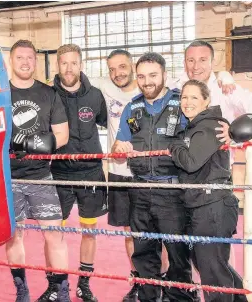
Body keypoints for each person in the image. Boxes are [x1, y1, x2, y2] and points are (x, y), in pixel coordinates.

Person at [112, 52, 197, 302]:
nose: (147, 81)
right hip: (138, 190)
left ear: (164, 75)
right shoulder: (132, 107)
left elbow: (200, 134)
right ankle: (149, 297)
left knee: (178, 253)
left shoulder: (181, 102)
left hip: (172, 191)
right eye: (141, 76)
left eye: (152, 75)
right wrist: (119, 150)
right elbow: (118, 150)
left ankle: (181, 298)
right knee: (143, 253)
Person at [92, 49, 170, 302]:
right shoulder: (105, 86)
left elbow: (194, 81)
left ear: (133, 68)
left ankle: (165, 279)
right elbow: (67, 79)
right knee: (131, 233)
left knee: (162, 232)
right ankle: (139, 279)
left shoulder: (155, 90)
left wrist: (224, 75)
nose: (118, 73)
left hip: (152, 175)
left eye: (123, 67)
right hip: (119, 172)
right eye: (112, 69)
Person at [169, 79, 247, 302]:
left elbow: (191, 162)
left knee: (213, 273)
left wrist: (174, 145)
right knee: (215, 268)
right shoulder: (195, 126)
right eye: (184, 97)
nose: (187, 102)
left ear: (206, 100)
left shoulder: (210, 125)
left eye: (194, 97)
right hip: (205, 206)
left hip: (212, 207)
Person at [4, 40, 71, 302]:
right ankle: (21, 289)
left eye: (30, 57)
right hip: (8, 177)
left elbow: (62, 135)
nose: (25, 62)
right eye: (20, 57)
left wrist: (33, 144)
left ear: (35, 61)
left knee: (55, 235)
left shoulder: (49, 94)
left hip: (41, 176)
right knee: (13, 236)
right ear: (11, 60)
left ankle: (62, 289)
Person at [51, 43, 108, 302]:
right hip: (59, 174)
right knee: (55, 232)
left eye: (74, 62)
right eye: (64, 63)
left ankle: (84, 283)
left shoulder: (96, 95)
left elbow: (112, 122)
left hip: (91, 174)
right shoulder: (48, 95)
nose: (69, 68)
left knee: (89, 231)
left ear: (81, 64)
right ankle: (56, 284)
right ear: (57, 65)